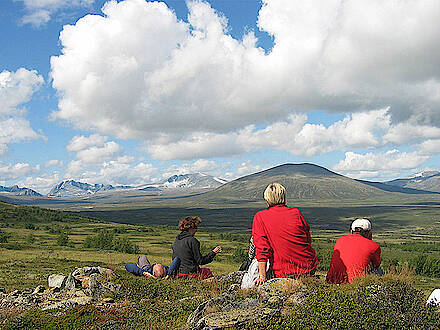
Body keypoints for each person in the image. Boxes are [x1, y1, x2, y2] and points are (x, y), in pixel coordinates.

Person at [252, 183, 318, 286]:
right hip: (308, 267)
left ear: (267, 199)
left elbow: (262, 248)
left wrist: (262, 276)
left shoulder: (260, 217)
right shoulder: (296, 213)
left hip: (284, 271)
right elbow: (307, 239)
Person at [326, 218, 382, 284]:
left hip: (333, 281)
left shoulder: (340, 240)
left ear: (352, 231)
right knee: (379, 271)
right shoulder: (374, 245)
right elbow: (376, 264)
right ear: (369, 233)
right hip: (357, 283)